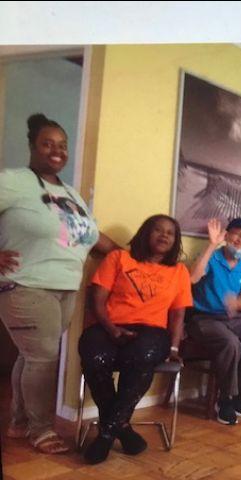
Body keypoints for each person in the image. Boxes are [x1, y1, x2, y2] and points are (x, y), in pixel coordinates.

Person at [0, 113, 118, 454]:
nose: (57, 151)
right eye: (48, 143)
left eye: (62, 145)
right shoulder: (15, 181)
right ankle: (40, 429)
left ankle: (19, 420)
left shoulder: (71, 193)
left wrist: (128, 256)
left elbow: (94, 236)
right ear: (32, 147)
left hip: (65, 287)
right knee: (44, 357)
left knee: (31, 355)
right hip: (25, 284)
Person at [78, 215, 192, 464]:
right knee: (93, 354)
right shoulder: (118, 258)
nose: (163, 236)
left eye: (170, 233)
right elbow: (96, 299)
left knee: (140, 355)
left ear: (175, 241)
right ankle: (123, 429)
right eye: (157, 230)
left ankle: (106, 433)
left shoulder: (179, 271)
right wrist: (110, 328)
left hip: (152, 331)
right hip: (109, 325)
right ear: (144, 233)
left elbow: (178, 313)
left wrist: (173, 347)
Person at [188, 218, 241, 426]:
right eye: (237, 234)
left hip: (234, 318)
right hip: (204, 318)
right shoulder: (211, 258)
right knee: (231, 343)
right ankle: (225, 399)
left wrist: (237, 303)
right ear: (227, 235)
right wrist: (212, 244)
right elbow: (192, 279)